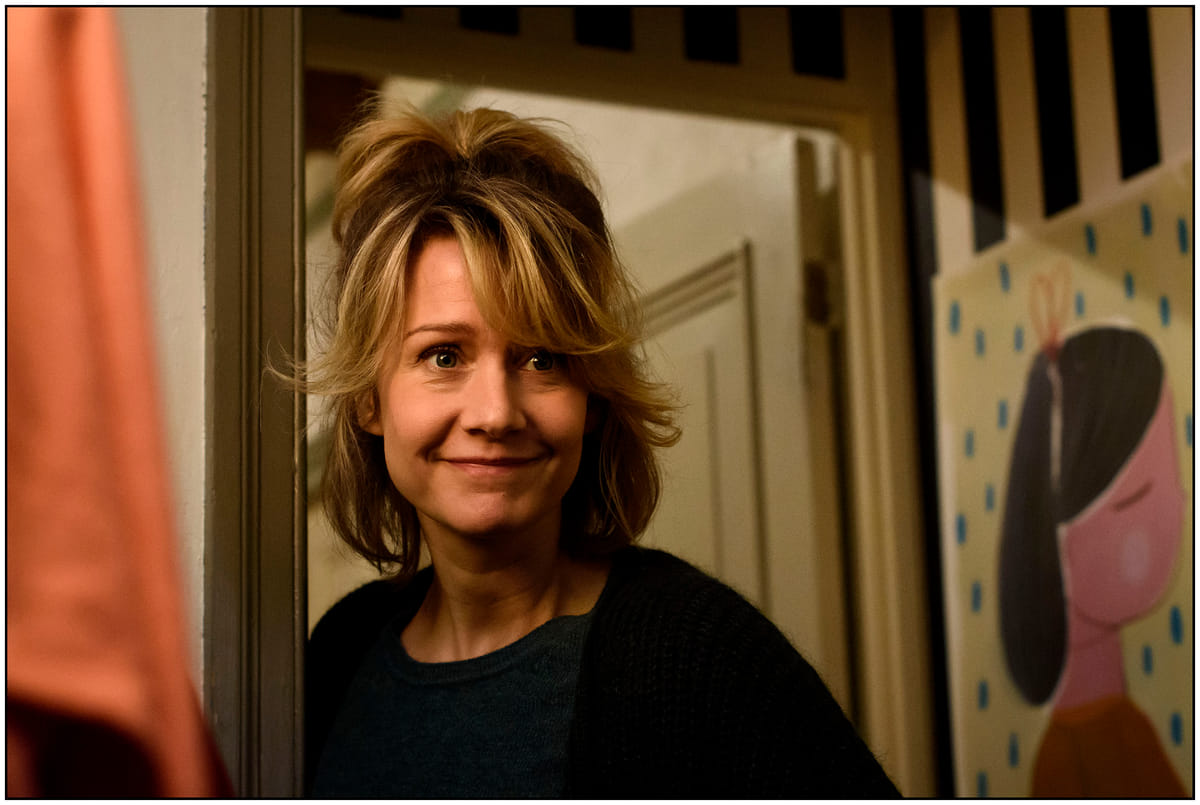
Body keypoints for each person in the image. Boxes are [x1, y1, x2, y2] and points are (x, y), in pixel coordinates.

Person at [302, 105, 899, 797]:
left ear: (592, 396)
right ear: (369, 399)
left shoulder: (695, 653)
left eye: (542, 358)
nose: (496, 413)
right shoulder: (341, 651)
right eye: (444, 355)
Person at [999, 324, 1186, 796]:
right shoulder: (1077, 754)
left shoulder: (1121, 726)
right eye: (1139, 497)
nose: (1179, 505)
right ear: (1061, 540)